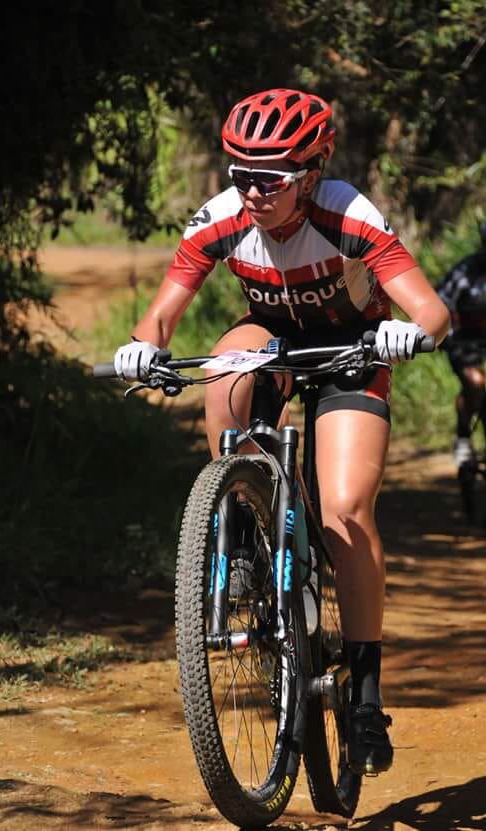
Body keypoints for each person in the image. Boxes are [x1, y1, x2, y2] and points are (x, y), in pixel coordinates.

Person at [113, 89, 450, 776]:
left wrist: (410, 332)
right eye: (241, 175)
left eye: (270, 179)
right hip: (273, 341)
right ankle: (242, 524)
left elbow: (433, 310)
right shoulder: (223, 216)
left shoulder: (347, 213)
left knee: (345, 510)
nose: (252, 192)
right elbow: (163, 315)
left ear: (312, 172)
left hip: (353, 350)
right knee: (225, 367)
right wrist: (143, 347)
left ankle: (366, 696)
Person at [436, 222, 486, 468]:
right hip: (464, 343)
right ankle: (464, 438)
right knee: (475, 384)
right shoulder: (466, 271)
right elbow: (440, 303)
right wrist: (446, 337)